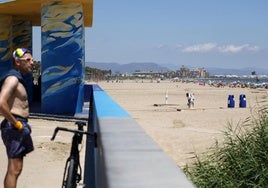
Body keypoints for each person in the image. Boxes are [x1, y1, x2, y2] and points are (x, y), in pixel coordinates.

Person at [0, 48, 34, 188]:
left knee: (16, 168)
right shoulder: (12, 78)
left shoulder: (18, 78)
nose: (32, 63)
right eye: (28, 60)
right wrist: (16, 124)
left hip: (18, 125)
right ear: (17, 62)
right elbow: (1, 102)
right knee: (14, 169)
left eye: (32, 60)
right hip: (14, 126)